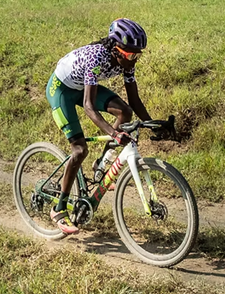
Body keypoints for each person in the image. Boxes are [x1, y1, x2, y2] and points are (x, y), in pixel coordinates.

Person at [45, 18, 153, 235]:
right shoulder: (97, 57)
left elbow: (134, 100)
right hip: (61, 91)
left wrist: (153, 124)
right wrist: (114, 133)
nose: (135, 59)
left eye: (138, 54)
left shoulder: (125, 61)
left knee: (125, 112)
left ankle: (100, 165)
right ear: (116, 49)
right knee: (79, 149)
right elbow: (88, 106)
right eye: (131, 55)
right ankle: (58, 210)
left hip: (81, 86)